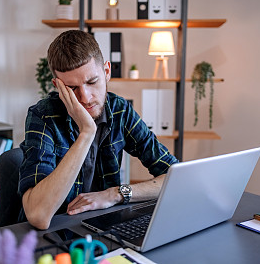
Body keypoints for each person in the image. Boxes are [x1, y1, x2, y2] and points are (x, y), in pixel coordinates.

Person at [18, 30, 178, 230]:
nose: (85, 97)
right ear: (58, 86)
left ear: (107, 71)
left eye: (92, 82)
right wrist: (86, 133)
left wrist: (116, 194)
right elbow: (39, 215)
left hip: (102, 227)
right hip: (54, 233)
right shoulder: (43, 116)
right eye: (72, 88)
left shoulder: (120, 110)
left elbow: (175, 176)